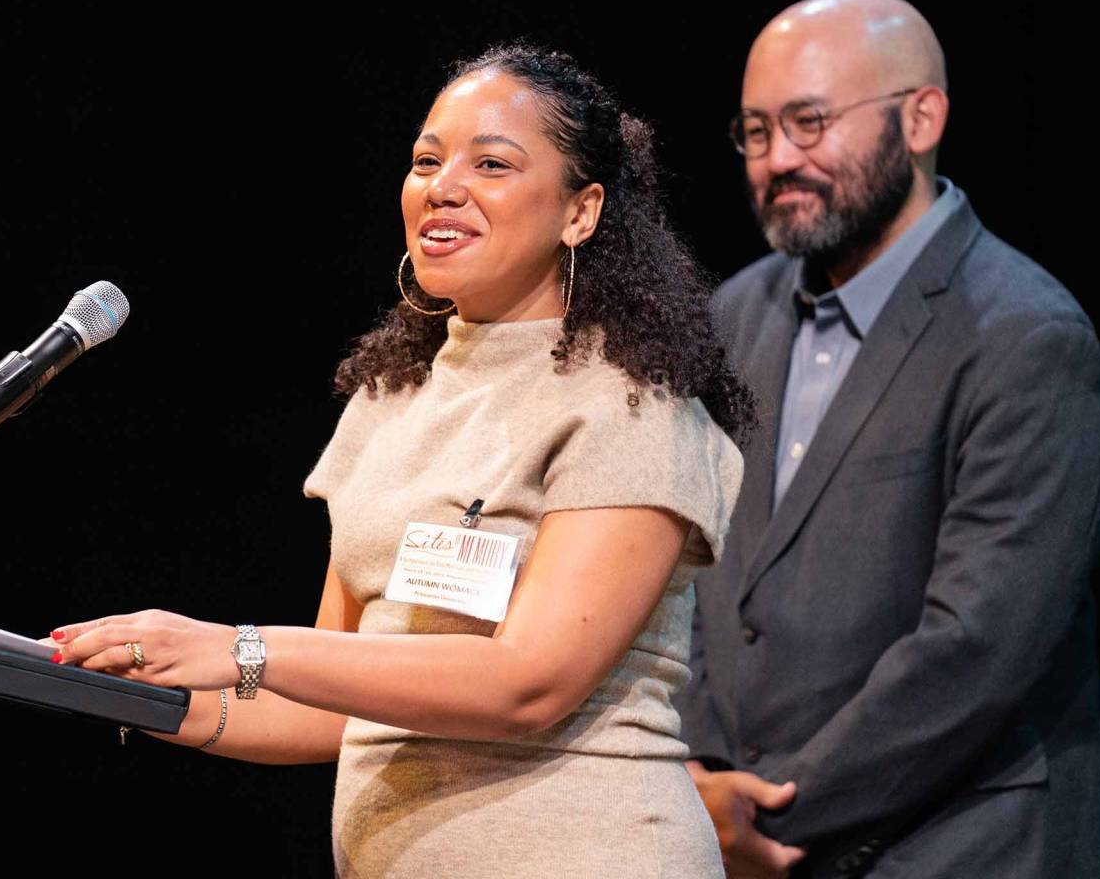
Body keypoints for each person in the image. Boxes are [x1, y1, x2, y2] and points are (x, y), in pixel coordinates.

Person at [48, 44, 754, 877]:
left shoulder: (630, 406)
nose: (442, 186)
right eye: (426, 160)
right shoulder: (391, 398)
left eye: (491, 163)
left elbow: (528, 683)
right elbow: (330, 709)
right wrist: (121, 684)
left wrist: (239, 645)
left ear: (582, 210)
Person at [682, 0, 1100, 877]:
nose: (778, 160)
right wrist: (694, 782)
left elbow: (978, 647)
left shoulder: (1026, 335)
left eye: (809, 122)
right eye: (756, 131)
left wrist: (771, 816)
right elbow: (696, 574)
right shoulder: (735, 316)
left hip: (964, 848)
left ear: (921, 119)